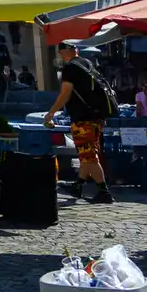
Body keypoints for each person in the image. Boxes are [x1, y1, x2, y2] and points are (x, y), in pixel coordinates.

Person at [52, 53, 116, 204]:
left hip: (84, 121)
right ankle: (78, 186)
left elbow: (65, 94)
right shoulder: (87, 65)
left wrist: (51, 113)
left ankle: (104, 192)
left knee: (89, 157)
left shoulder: (70, 69)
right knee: (86, 154)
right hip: (96, 118)